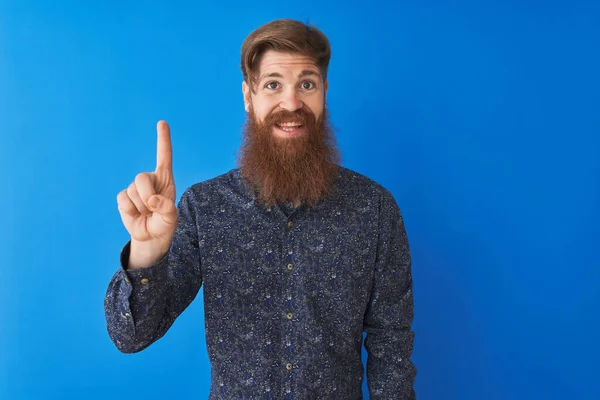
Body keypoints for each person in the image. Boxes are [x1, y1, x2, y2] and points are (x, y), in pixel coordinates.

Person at [104, 18, 416, 399]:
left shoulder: (375, 208)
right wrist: (147, 253)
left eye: (307, 84)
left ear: (324, 92)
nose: (291, 103)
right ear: (248, 97)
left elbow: (391, 348)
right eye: (273, 85)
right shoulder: (204, 207)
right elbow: (130, 336)